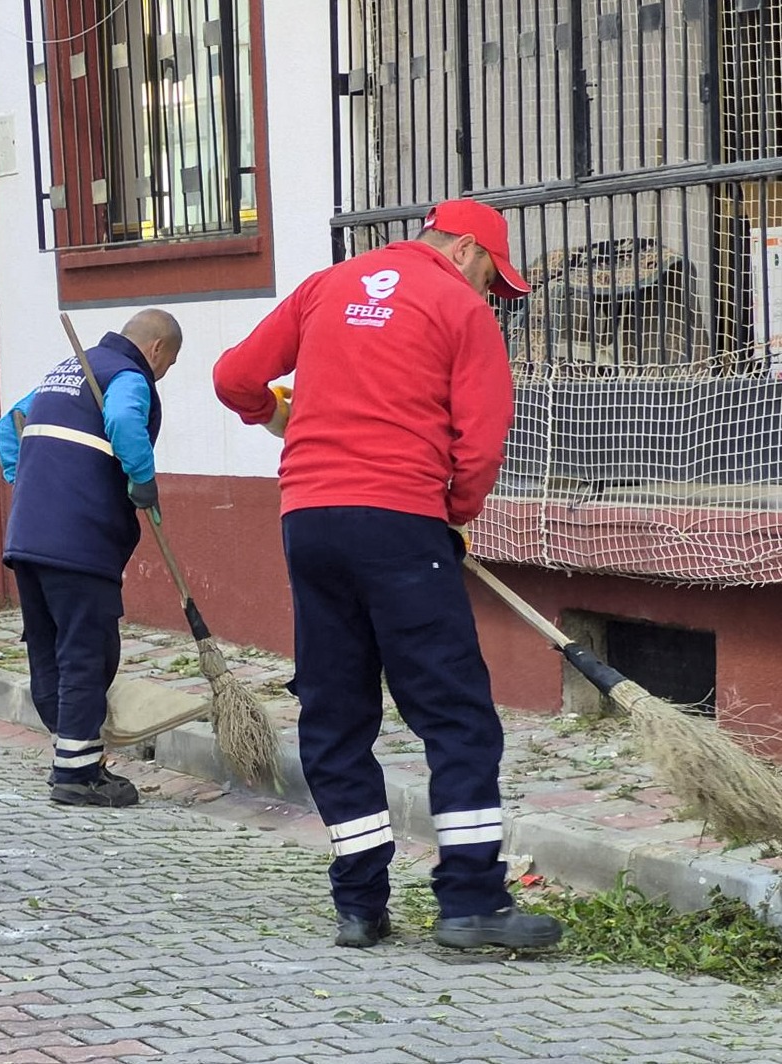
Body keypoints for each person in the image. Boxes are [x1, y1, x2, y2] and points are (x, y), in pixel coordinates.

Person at [212, 199, 563, 951]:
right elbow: (480, 439)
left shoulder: (326, 285)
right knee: (455, 715)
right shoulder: (458, 310)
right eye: (490, 280)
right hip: (401, 520)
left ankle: (359, 905)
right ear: (467, 251)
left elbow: (234, 376)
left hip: (308, 521)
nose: (487, 297)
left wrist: (269, 412)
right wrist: (453, 513)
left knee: (336, 716)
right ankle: (471, 903)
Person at [0, 309, 182, 808]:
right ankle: (76, 775)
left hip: (29, 535)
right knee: (87, 651)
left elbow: (5, 426)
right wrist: (142, 477)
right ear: (157, 348)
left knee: (49, 647)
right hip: (79, 541)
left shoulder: (67, 370)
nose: (162, 374)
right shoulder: (126, 376)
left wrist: (28, 482)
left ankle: (76, 752)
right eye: (168, 364)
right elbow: (122, 418)